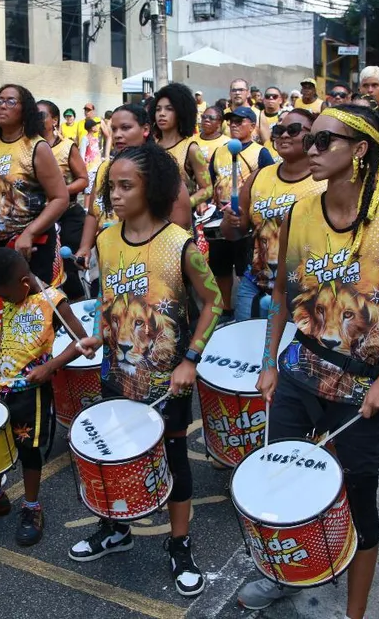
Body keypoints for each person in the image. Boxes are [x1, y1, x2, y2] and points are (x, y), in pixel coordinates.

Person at [237, 105, 379, 618]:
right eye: (311, 139)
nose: (311, 149)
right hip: (298, 378)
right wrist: (268, 362)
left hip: (360, 394)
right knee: (281, 484)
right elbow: (281, 294)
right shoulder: (299, 213)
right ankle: (285, 574)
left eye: (325, 141)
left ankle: (354, 613)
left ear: (361, 150)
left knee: (358, 503)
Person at [73, 141, 221, 597]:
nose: (114, 196)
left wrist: (191, 360)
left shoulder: (179, 243)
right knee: (114, 454)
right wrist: (99, 333)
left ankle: (179, 544)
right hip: (116, 373)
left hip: (166, 382)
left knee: (174, 459)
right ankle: (115, 528)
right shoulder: (105, 238)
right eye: (111, 187)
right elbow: (110, 297)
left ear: (150, 187)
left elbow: (215, 302)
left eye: (125, 186)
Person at [0, 248, 87, 546]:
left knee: (29, 450)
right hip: (1, 386)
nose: (3, 301)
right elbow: (5, 331)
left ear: (24, 283)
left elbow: (82, 341)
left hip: (32, 392)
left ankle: (31, 507)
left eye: (4, 295)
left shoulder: (53, 301)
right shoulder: (14, 297)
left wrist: (51, 366)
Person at [224, 109, 325, 319]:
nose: (284, 135)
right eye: (279, 130)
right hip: (256, 284)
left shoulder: (324, 181)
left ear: (312, 136)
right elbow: (234, 233)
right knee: (249, 348)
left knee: (294, 351)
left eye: (293, 130)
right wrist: (229, 221)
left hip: (306, 288)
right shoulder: (257, 178)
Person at [76, 104, 193, 275]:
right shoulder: (104, 169)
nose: (117, 135)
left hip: (149, 267)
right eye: (114, 129)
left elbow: (180, 226)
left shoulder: (161, 170)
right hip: (109, 262)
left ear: (145, 129)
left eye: (125, 128)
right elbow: (93, 214)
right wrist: (85, 247)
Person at [0, 84, 69, 284]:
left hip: (33, 246)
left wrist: (29, 233)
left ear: (25, 109)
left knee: (36, 311)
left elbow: (61, 198)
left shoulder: (37, 146)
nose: (3, 106)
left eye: (11, 101)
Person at [208, 106, 272, 318]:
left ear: (253, 126)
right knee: (220, 266)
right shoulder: (220, 151)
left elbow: (269, 183)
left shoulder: (260, 152)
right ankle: (226, 309)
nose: (234, 124)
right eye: (231, 121)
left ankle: (247, 310)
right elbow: (212, 180)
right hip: (221, 217)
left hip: (247, 220)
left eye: (240, 121)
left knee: (244, 265)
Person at [39, 99, 88, 299]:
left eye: (41, 115)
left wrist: (59, 193)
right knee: (43, 267)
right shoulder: (27, 147)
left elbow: (83, 180)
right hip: (41, 218)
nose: (36, 118)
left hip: (68, 216)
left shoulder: (67, 147)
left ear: (54, 120)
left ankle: (76, 310)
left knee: (68, 266)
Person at [152, 82, 210, 209]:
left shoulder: (191, 148)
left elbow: (207, 189)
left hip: (181, 225)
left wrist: (184, 206)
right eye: (158, 109)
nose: (162, 113)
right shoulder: (151, 147)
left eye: (169, 109)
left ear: (181, 112)